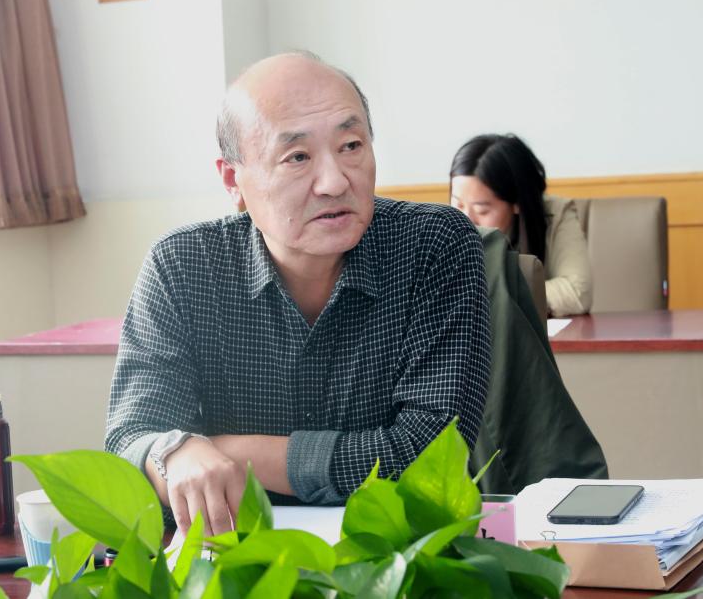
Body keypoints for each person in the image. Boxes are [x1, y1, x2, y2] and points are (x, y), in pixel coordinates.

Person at [106, 52, 491, 536]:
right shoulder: (182, 266)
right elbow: (132, 441)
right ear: (233, 180)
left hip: (403, 555)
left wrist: (226, 453)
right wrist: (176, 454)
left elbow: (430, 455)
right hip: (234, 558)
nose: (335, 181)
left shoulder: (434, 245)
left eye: (351, 146)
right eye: (298, 157)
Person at [449, 134, 593, 316]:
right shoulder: (441, 224)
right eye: (458, 204)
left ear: (517, 202)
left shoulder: (556, 214)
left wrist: (494, 296)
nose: (466, 219)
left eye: (482, 210)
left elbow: (577, 291)